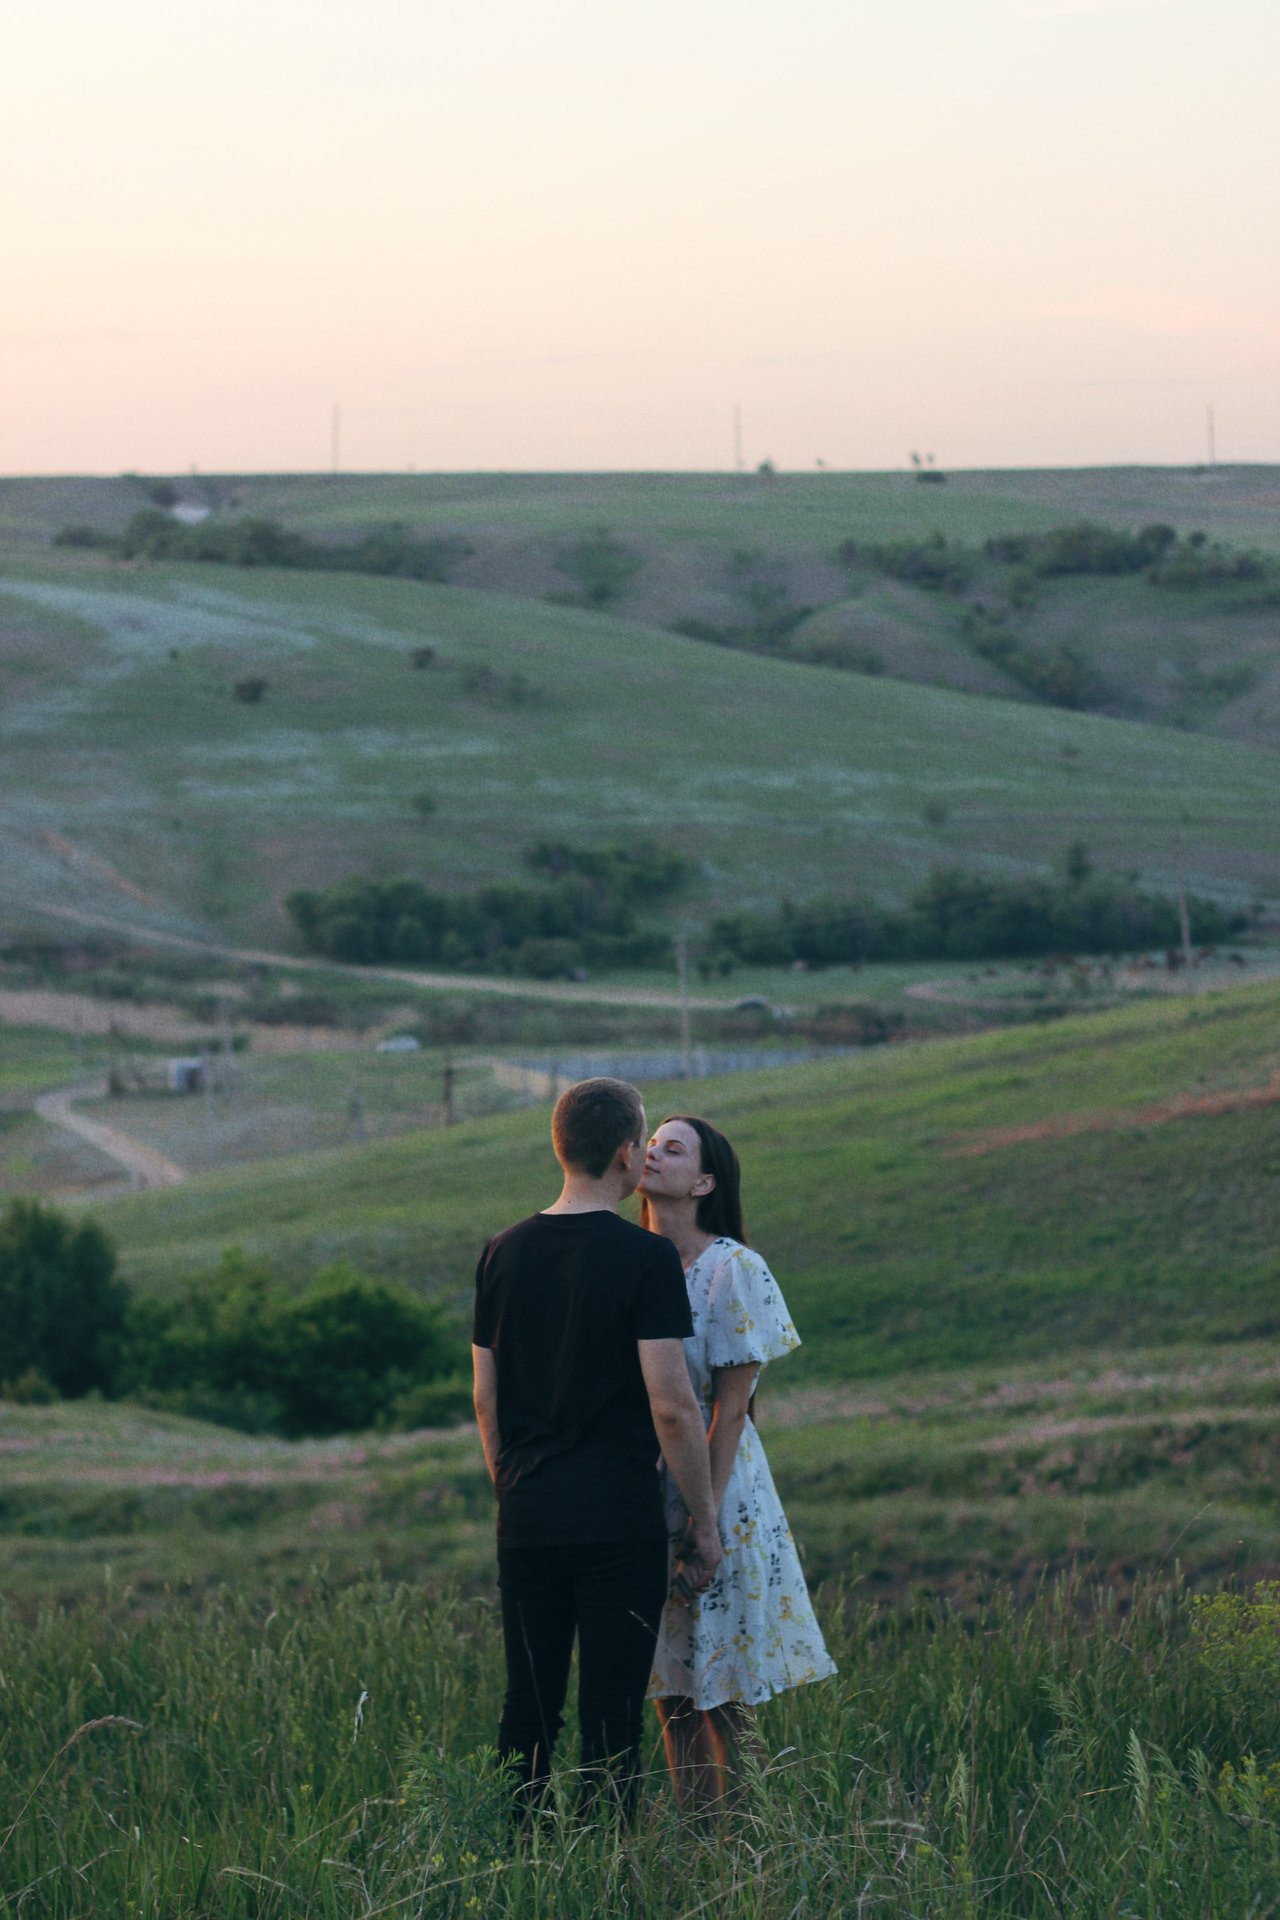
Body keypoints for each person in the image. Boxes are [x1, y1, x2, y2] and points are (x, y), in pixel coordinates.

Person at [472, 1077, 722, 1823]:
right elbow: (673, 1406)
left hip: (527, 1511)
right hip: (618, 1520)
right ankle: (603, 1875)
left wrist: (512, 1486)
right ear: (623, 1153)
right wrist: (703, 1524)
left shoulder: (501, 1252)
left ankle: (521, 1864)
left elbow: (486, 1398)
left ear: (561, 1148)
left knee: (530, 1706)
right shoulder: (643, 1260)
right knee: (610, 1718)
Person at [638, 1115, 836, 1813]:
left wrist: (705, 1517)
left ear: (705, 1182)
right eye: (651, 1143)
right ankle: (693, 1840)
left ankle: (751, 1839)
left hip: (719, 1481)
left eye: (673, 1148)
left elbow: (731, 1408)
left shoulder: (733, 1267)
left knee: (725, 1686)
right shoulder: (635, 1258)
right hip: (646, 1480)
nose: (653, 1153)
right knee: (670, 1689)